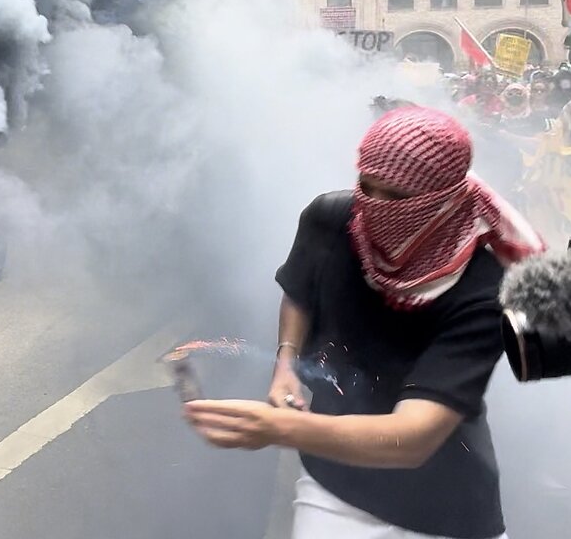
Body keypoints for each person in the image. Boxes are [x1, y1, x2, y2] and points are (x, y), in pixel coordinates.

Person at [185, 107, 545, 539]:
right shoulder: (332, 217)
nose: (375, 208)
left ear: (444, 199)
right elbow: (300, 292)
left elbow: (414, 439)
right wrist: (286, 365)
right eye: (367, 188)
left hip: (442, 508)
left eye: (396, 197)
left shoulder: (482, 285)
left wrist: (278, 428)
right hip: (332, 479)